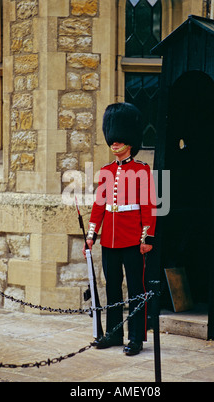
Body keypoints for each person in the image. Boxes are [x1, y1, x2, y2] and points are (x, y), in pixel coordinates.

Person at [83, 102, 156, 356]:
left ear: (130, 142)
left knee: (136, 289)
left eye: (119, 139)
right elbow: (99, 206)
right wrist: (92, 235)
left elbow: (148, 207)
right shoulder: (106, 172)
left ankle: (136, 337)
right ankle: (114, 334)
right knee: (112, 287)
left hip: (133, 239)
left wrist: (147, 237)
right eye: (112, 139)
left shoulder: (141, 171)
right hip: (110, 241)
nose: (114, 143)